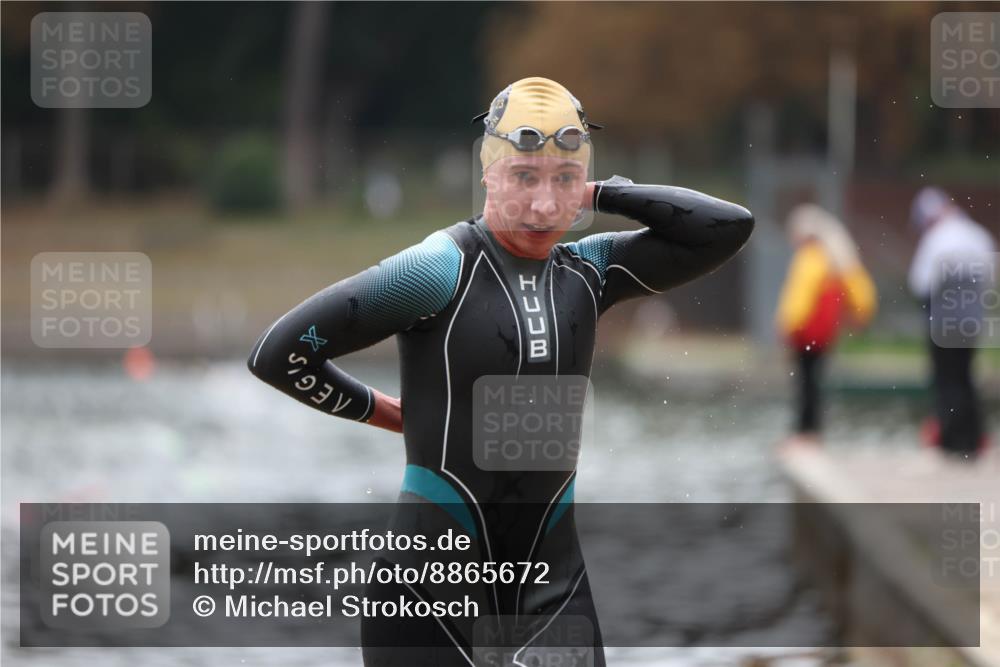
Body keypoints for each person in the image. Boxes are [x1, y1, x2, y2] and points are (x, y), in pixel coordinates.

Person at [247, 76, 754, 666]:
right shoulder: (438, 269)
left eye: (563, 180)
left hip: (555, 595)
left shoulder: (592, 270)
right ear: (487, 173)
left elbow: (725, 228)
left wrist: (605, 195)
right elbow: (281, 354)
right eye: (523, 177)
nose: (543, 206)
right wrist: (384, 413)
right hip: (427, 598)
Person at [775, 203, 876, 443]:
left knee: (805, 382)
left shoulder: (810, 258)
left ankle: (805, 431)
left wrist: (786, 326)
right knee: (814, 381)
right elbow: (862, 294)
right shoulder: (837, 259)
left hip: (806, 333)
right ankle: (812, 430)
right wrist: (860, 315)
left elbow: (798, 299)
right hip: (825, 334)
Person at [908, 187, 996, 459]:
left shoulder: (936, 239)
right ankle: (972, 439)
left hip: (943, 325)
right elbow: (991, 278)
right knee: (966, 377)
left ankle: (951, 440)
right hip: (970, 323)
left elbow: (919, 283)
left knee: (947, 380)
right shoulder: (977, 235)